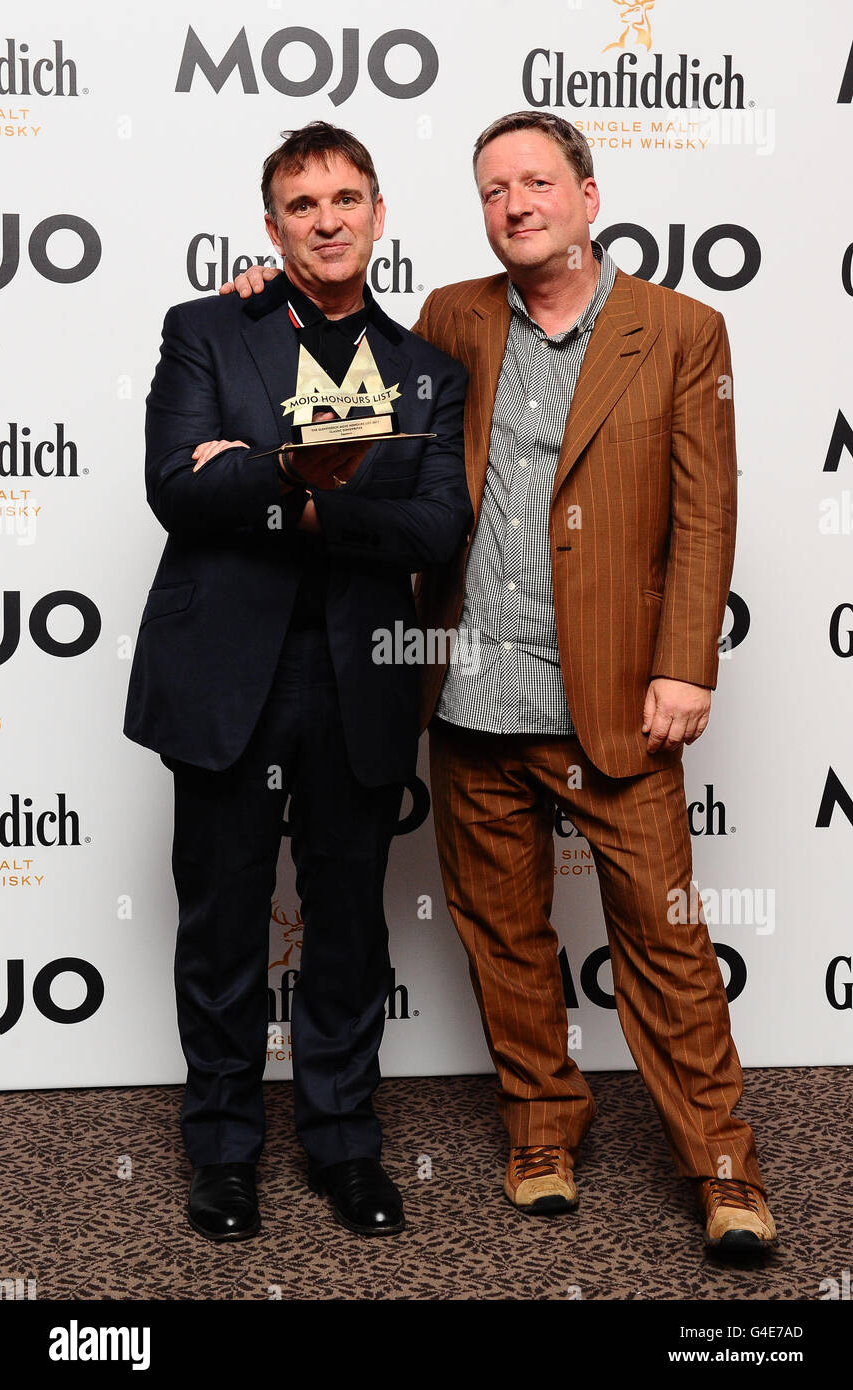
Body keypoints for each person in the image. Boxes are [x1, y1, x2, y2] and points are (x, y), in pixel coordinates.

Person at [222, 110, 776, 1254]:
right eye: (491, 190)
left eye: (533, 182)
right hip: (468, 691)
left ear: (584, 191)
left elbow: (703, 508)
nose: (513, 204)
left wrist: (683, 661)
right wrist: (265, 300)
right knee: (503, 936)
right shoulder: (452, 318)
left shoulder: (680, 329)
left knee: (662, 944)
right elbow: (348, 397)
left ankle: (723, 1168)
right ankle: (539, 1133)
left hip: (616, 697)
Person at [124, 121, 471, 1241]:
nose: (326, 220)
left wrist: (278, 482)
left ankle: (344, 1146)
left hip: (357, 679)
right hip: (228, 676)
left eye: (347, 199)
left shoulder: (425, 371)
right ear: (270, 224)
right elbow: (177, 491)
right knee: (221, 925)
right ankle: (222, 1152)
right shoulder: (206, 331)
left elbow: (432, 527)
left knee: (348, 932)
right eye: (302, 204)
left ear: (378, 215)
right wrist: (302, 481)